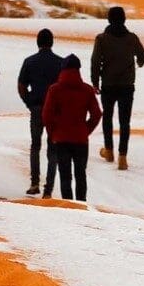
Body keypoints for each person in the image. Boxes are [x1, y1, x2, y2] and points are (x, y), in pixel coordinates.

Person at [90, 5, 144, 170]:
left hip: (108, 85)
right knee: (125, 122)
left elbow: (95, 62)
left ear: (109, 19)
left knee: (107, 118)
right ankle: (123, 157)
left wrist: (95, 82)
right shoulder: (131, 38)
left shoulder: (101, 39)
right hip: (127, 86)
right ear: (124, 19)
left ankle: (109, 152)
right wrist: (139, 63)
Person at [41, 54, 102, 201]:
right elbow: (97, 114)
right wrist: (85, 130)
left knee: (65, 176)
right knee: (81, 174)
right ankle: (81, 204)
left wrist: (53, 133)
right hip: (80, 139)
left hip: (61, 138)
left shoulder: (54, 89)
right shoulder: (87, 90)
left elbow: (46, 115)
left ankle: (69, 206)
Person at [16, 28, 65, 196]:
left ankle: (34, 183)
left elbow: (21, 86)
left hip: (36, 108)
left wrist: (29, 102)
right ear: (51, 42)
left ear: (38, 42)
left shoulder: (30, 61)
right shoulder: (61, 63)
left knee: (35, 145)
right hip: (55, 111)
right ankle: (48, 190)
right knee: (53, 149)